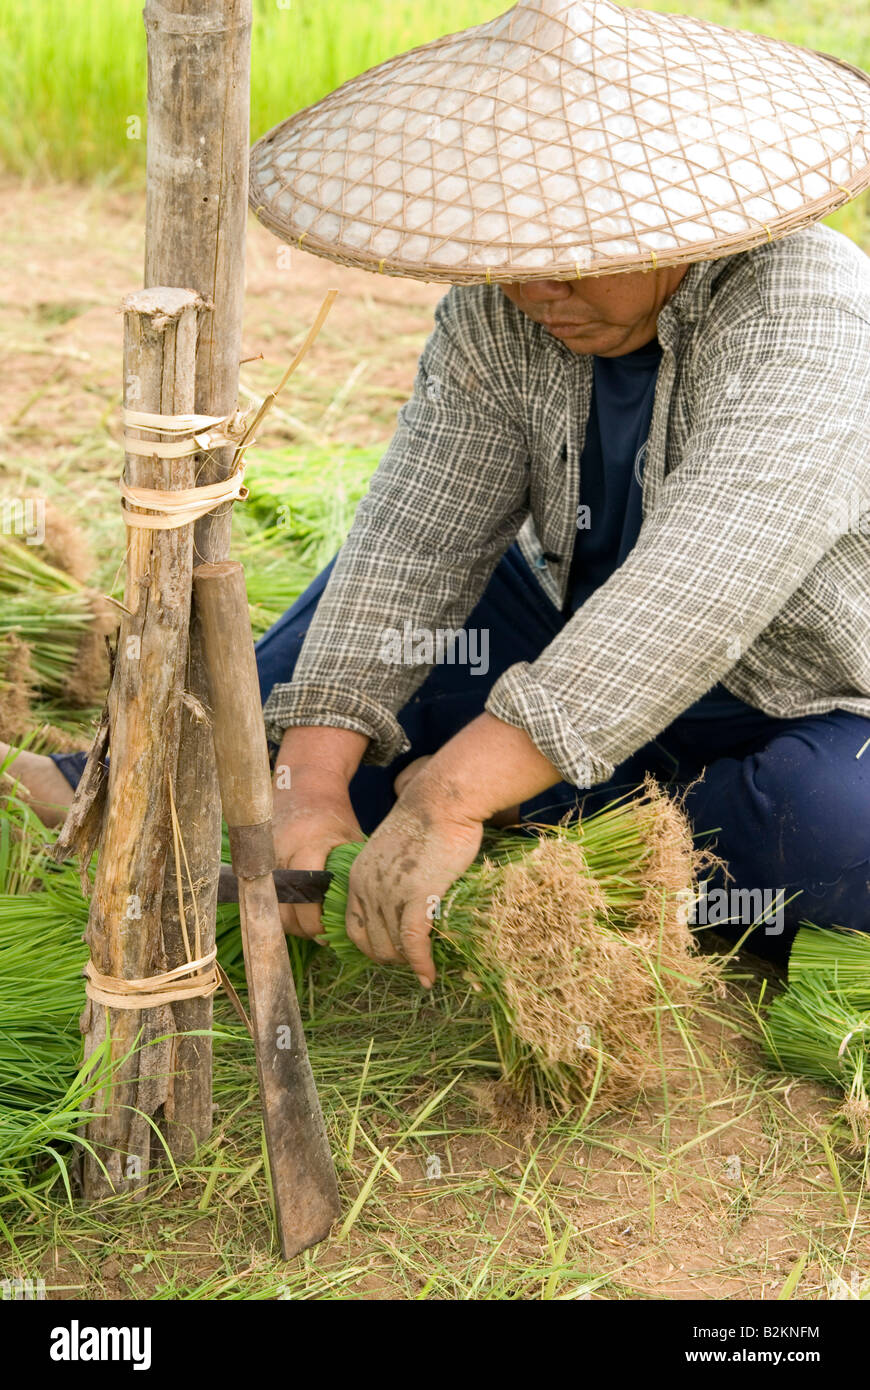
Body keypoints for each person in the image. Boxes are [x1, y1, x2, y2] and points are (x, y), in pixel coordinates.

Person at [8, 0, 870, 985]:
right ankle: (213, 781)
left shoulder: (811, 312)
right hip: (573, 648)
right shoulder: (499, 315)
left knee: (836, 831)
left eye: (573, 260)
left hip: (807, 701)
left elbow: (702, 584)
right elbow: (415, 542)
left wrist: (453, 792)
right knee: (354, 648)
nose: (535, 291)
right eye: (512, 259)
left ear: (680, 214)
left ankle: (559, 833)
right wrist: (311, 775)